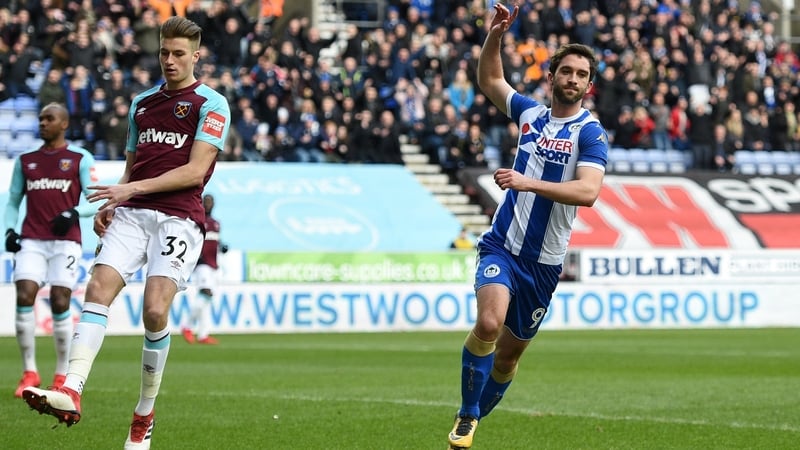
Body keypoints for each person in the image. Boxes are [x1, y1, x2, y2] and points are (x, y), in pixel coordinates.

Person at [22, 16, 231, 450]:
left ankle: (143, 416)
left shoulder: (212, 104)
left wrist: (129, 189)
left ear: (196, 56)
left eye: (178, 54)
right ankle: (71, 388)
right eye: (163, 52)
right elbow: (133, 166)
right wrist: (117, 201)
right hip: (133, 213)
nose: (169, 61)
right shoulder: (141, 103)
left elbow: (194, 171)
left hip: (179, 216)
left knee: (154, 311)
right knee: (97, 288)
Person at [446, 5, 608, 450]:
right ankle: (466, 415)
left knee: (509, 357)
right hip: (503, 246)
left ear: (588, 85)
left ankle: (476, 414)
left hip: (544, 264)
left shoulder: (590, 133)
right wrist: (495, 36)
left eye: (581, 74)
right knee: (489, 322)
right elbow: (491, 81)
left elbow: (588, 192)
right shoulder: (531, 115)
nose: (573, 79)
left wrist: (526, 182)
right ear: (552, 74)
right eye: (567, 71)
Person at [5, 103, 97, 398]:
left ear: (64, 124)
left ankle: (60, 374)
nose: (43, 123)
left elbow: (93, 197)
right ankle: (29, 371)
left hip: (66, 241)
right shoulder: (25, 160)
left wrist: (74, 213)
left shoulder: (79, 158)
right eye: (41, 118)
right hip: (32, 238)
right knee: (23, 295)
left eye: (49, 119)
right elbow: (13, 201)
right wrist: (9, 229)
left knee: (60, 301)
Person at [181, 193, 228, 345]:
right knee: (206, 293)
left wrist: (222, 248)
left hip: (213, 265)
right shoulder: (196, 221)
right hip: (201, 264)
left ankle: (203, 334)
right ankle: (187, 326)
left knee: (207, 299)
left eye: (211, 201)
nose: (208, 204)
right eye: (206, 201)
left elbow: (215, 244)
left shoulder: (216, 223)